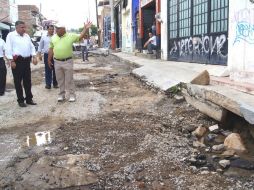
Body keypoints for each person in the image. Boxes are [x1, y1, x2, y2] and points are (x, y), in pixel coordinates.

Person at [48, 21, 92, 102]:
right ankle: (61, 94)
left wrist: (85, 29)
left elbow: (81, 36)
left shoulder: (70, 36)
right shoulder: (53, 37)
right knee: (59, 79)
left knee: (69, 79)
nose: (56, 30)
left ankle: (72, 95)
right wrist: (48, 59)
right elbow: (51, 49)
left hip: (67, 61)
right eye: (56, 28)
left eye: (58, 29)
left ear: (63, 29)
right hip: (57, 62)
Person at [5, 20, 38, 107]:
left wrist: (34, 56)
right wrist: (11, 61)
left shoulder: (26, 36)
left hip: (27, 61)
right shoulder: (11, 35)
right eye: (22, 27)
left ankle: (29, 99)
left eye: (25, 27)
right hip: (17, 61)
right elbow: (8, 49)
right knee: (18, 82)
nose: (24, 29)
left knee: (28, 81)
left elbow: (31, 47)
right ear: (16, 27)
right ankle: (20, 100)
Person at [38, 25, 58, 89]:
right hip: (47, 55)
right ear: (48, 30)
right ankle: (48, 84)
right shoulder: (43, 37)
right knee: (48, 69)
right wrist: (39, 54)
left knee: (56, 69)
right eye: (50, 29)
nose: (51, 30)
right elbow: (40, 46)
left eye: (52, 29)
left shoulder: (56, 37)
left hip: (55, 55)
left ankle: (55, 84)